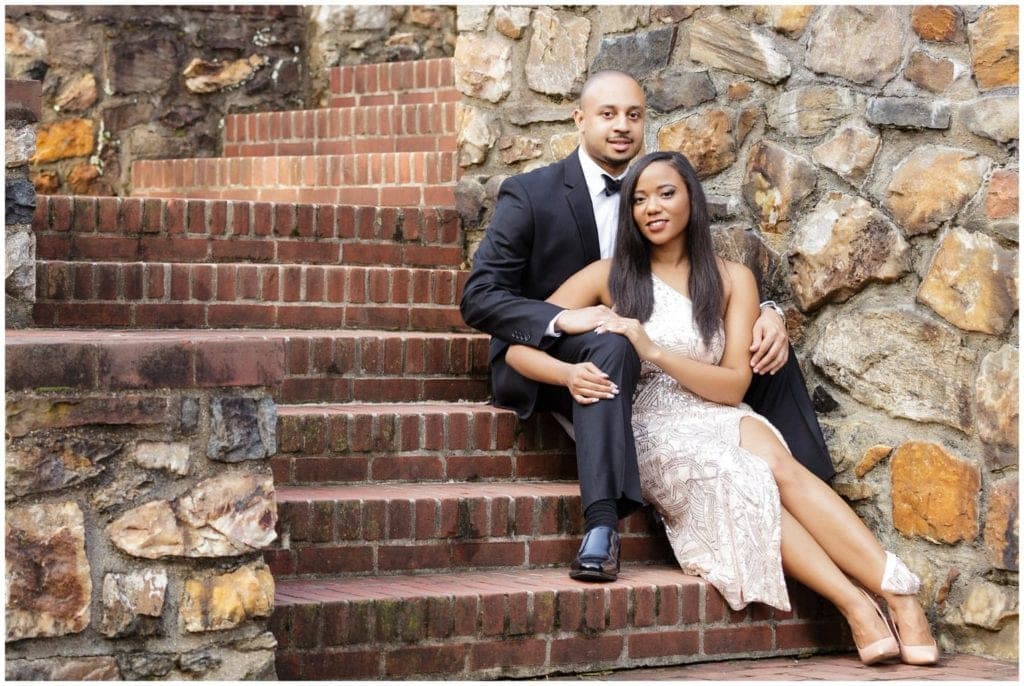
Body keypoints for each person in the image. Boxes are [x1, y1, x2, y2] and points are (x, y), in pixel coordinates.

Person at [504, 150, 939, 666]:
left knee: (777, 464)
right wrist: (569, 372)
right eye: (639, 199)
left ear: (691, 198)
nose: (652, 208)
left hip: (715, 408)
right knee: (737, 475)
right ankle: (856, 606)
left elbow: (735, 386)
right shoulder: (607, 275)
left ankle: (900, 594)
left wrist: (655, 351)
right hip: (650, 425)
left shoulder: (733, 278)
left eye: (666, 193)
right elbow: (517, 346)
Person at [460, 70, 832, 586]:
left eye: (633, 115)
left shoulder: (651, 193)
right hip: (547, 352)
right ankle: (602, 525)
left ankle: (812, 480)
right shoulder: (531, 193)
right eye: (608, 114)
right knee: (613, 343)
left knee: (763, 344)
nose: (621, 126)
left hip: (644, 357)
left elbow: (694, 279)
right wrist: (561, 318)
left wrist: (767, 309)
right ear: (580, 120)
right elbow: (479, 298)